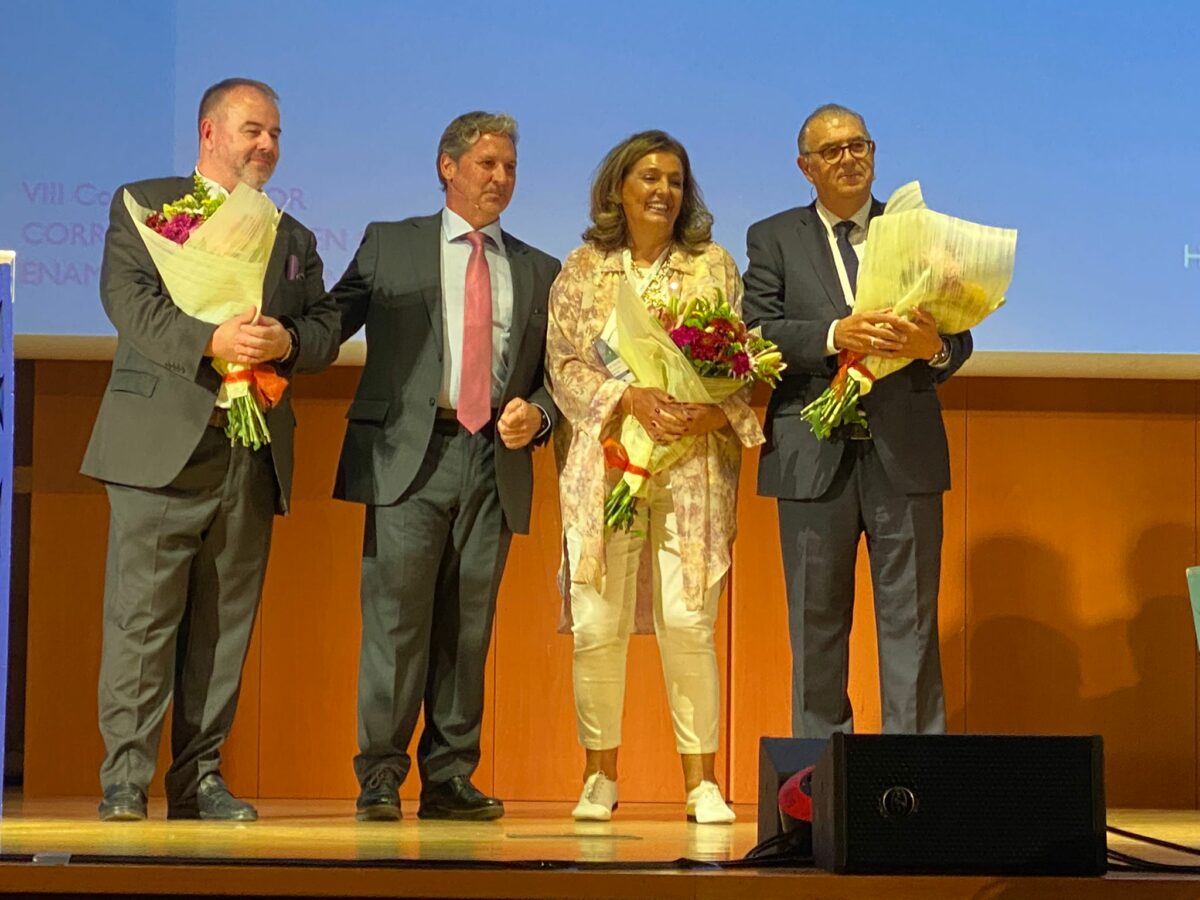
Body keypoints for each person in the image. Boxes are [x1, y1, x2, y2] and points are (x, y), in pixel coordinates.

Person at [82, 77, 340, 821]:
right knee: (142, 623)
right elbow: (128, 303)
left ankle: (198, 779)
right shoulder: (148, 208)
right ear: (208, 133)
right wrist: (211, 340)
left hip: (247, 452)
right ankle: (124, 783)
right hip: (157, 449)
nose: (268, 146)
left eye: (276, 135)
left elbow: (323, 325)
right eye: (254, 130)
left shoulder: (290, 235)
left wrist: (286, 340)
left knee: (224, 630)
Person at [332, 111, 560, 822]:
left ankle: (449, 777)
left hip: (493, 456)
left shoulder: (538, 268)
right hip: (410, 452)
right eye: (487, 164)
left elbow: (562, 375)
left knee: (468, 627)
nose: (500, 178)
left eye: (511, 168)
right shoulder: (389, 244)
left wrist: (542, 412)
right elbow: (327, 322)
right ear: (447, 166)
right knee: (398, 622)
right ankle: (379, 775)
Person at [546, 130, 763, 824]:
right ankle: (599, 777)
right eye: (647, 177)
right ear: (619, 189)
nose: (662, 190)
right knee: (597, 624)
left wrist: (703, 413)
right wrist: (629, 400)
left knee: (689, 621)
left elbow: (741, 362)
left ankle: (701, 783)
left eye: (673, 179)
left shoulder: (713, 266)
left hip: (691, 463)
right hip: (611, 462)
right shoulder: (583, 269)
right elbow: (564, 366)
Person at [743, 104, 972, 740]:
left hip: (907, 454)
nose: (850, 159)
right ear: (806, 167)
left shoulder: (916, 233)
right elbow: (756, 331)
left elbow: (959, 337)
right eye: (833, 150)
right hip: (812, 458)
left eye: (860, 146)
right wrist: (833, 333)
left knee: (913, 628)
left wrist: (934, 347)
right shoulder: (774, 236)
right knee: (817, 631)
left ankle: (915, 782)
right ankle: (819, 793)